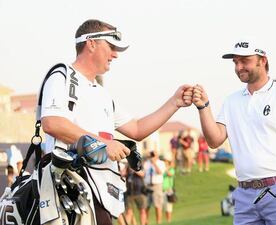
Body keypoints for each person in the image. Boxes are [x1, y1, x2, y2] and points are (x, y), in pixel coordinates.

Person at [40, 19, 193, 225]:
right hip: (70, 189)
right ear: (91, 43)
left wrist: (174, 103)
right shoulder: (62, 75)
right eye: (111, 47)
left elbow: (136, 129)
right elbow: (52, 123)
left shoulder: (102, 94)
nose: (115, 54)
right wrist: (103, 143)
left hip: (99, 190)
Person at [192, 38, 276, 225]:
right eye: (236, 62)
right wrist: (203, 107)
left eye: (244, 61)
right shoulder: (231, 101)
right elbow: (215, 140)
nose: (239, 67)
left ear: (262, 60)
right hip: (244, 195)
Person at [118, 160, 148, 225]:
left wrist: (134, 169)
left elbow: (143, 174)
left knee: (142, 210)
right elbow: (122, 174)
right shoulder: (127, 167)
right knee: (129, 211)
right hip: (129, 192)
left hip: (139, 192)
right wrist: (126, 167)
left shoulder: (139, 165)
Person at [143, 150, 166, 224]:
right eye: (151, 154)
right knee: (146, 206)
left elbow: (160, 172)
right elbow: (143, 172)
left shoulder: (161, 163)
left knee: (157, 205)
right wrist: (147, 157)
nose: (152, 156)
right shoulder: (146, 163)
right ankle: (146, 222)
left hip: (157, 186)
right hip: (147, 186)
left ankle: (158, 222)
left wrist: (154, 163)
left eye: (154, 154)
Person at [162, 156, 176, 223]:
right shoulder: (162, 169)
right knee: (162, 206)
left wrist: (166, 168)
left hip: (168, 190)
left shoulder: (171, 169)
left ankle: (168, 221)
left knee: (168, 207)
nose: (164, 163)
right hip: (161, 189)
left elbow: (170, 174)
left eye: (166, 162)